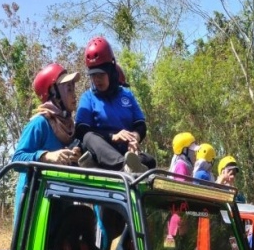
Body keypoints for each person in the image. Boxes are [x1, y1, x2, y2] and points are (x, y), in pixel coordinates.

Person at [75, 36, 154, 173]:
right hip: (102, 152)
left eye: (101, 74)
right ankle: (123, 167)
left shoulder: (127, 95)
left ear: (111, 71)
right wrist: (113, 136)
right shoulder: (88, 97)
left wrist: (134, 138)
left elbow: (140, 125)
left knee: (150, 161)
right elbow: (81, 130)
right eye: (93, 75)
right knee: (88, 137)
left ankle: (128, 165)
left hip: (126, 153)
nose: (96, 80)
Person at [13, 63, 82, 214]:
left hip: (61, 201)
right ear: (54, 93)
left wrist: (78, 157)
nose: (74, 95)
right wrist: (46, 156)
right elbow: (17, 160)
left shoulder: (71, 127)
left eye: (73, 88)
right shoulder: (39, 123)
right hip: (34, 201)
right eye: (68, 89)